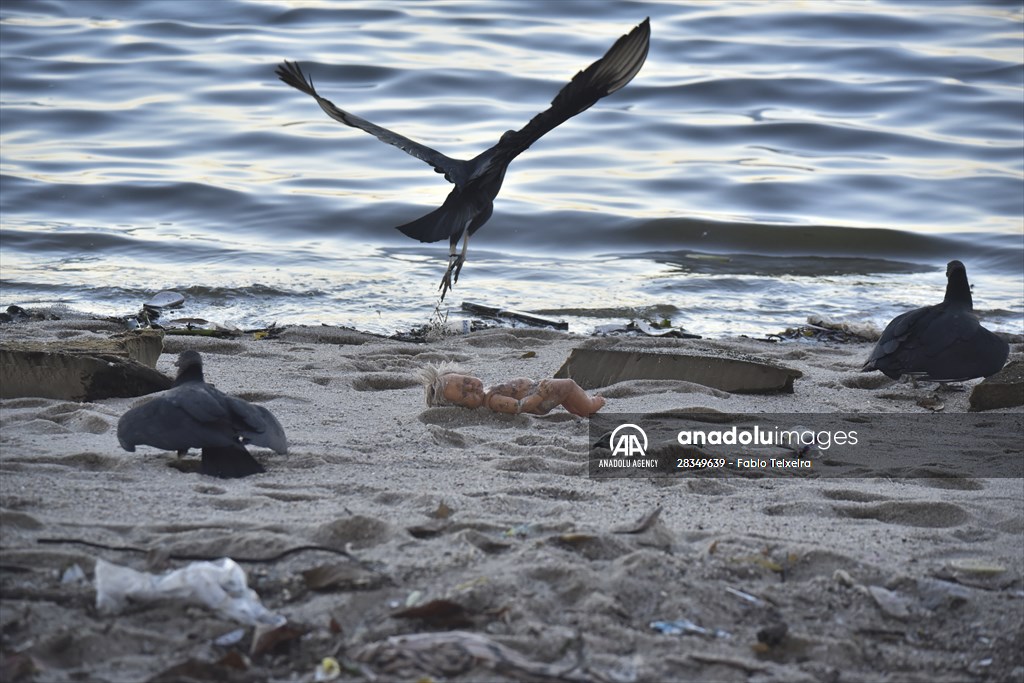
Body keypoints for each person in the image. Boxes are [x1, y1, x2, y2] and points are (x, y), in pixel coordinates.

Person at [421, 364, 605, 417]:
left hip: (540, 392)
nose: (471, 387)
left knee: (566, 394)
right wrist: (539, 394)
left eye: (466, 381)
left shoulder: (488, 393)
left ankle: (576, 409)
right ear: (463, 408)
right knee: (569, 385)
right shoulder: (493, 401)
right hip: (540, 398)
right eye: (465, 394)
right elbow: (519, 406)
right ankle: (589, 406)